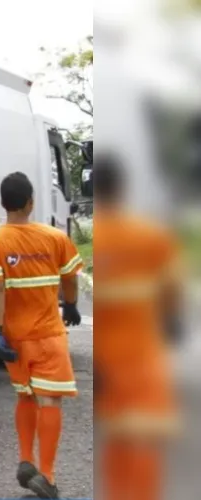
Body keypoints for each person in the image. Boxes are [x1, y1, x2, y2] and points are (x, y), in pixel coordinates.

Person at [0, 172, 83, 500]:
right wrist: (72, 306)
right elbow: (71, 277)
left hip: (15, 337)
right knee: (50, 399)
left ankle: (25, 460)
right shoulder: (54, 237)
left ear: (3, 203)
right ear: (31, 202)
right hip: (48, 334)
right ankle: (46, 476)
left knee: (25, 396)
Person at [92, 155, 182, 500]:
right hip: (144, 356)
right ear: (123, 187)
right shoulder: (151, 234)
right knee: (145, 442)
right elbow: (172, 291)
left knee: (115, 444)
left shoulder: (97, 239)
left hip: (105, 361)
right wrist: (170, 324)